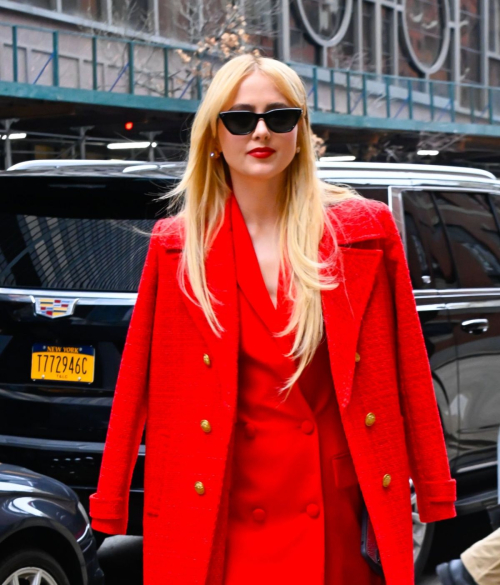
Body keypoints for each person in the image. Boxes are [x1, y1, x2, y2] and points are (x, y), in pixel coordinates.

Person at [88, 54, 457, 585]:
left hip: (330, 508)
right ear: (215, 134)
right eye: (240, 118)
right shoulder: (178, 244)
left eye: (279, 116)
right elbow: (137, 386)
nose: (261, 131)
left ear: (301, 131)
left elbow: (409, 371)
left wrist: (435, 488)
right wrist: (111, 500)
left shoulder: (363, 231)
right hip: (223, 507)